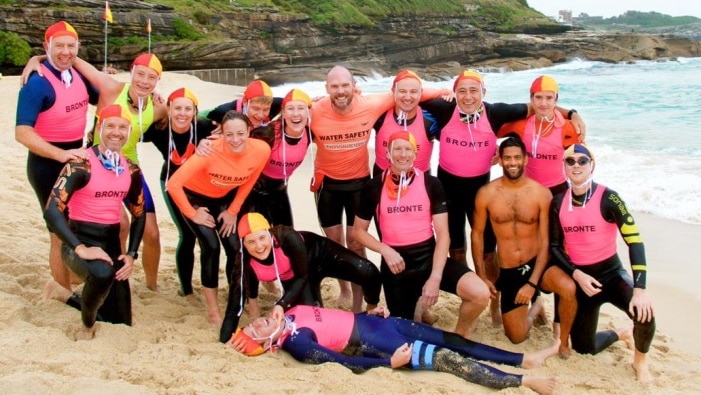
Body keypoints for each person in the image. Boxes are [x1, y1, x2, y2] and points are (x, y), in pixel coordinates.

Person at [420, 69, 585, 325]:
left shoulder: (495, 112)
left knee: (488, 252)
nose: (467, 96)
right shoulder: (445, 109)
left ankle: (495, 307)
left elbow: (538, 107)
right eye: (461, 90)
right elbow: (410, 96)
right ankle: (471, 297)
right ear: (455, 92)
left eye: (474, 90)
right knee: (456, 250)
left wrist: (572, 113)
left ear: (483, 93)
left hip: (481, 191)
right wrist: (439, 92)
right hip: (448, 189)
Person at [22, 52, 167, 291]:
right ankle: (108, 273)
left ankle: (152, 286)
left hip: (129, 169)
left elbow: (188, 117)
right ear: (131, 72)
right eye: (140, 74)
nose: (144, 81)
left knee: (151, 233)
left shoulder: (159, 107)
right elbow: (68, 57)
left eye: (151, 77)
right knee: (119, 224)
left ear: (157, 81)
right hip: (97, 165)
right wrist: (36, 59)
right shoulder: (110, 87)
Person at [311, 65, 449, 312]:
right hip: (331, 184)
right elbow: (289, 116)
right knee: (334, 241)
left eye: (345, 86)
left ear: (354, 86)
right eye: (334, 87)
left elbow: (410, 91)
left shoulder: (373, 105)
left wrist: (445, 90)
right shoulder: (316, 110)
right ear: (327, 88)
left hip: (361, 181)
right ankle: (344, 288)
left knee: (360, 241)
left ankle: (362, 296)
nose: (340, 91)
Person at [229, 305, 560, 395]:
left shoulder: (287, 315)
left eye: (252, 323)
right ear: (266, 345)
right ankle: (522, 382)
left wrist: (366, 314)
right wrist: (391, 362)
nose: (256, 325)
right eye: (254, 332)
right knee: (447, 360)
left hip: (386, 324)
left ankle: (523, 359)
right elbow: (344, 362)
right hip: (379, 344)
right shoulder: (298, 343)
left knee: (450, 339)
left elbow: (336, 318)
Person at [353, 131, 489, 338]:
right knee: (407, 334)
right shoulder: (374, 187)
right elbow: (358, 232)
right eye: (397, 149)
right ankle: (419, 308)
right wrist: (385, 250)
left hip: (427, 258)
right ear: (388, 154)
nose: (402, 154)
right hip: (396, 266)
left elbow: (443, 235)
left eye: (408, 149)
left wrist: (435, 276)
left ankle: (459, 336)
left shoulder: (431, 184)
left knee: (480, 293)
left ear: (415, 154)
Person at [549, 144, 655, 382]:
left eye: (582, 161)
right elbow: (554, 247)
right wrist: (576, 274)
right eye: (570, 161)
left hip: (612, 274)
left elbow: (635, 242)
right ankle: (621, 333)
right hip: (583, 280)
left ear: (592, 165)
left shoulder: (610, 198)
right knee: (584, 348)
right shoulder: (557, 202)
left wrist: (640, 290)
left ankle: (640, 362)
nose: (576, 165)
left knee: (644, 312)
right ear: (564, 167)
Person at [42, 104, 145, 340]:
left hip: (111, 244)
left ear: (129, 133)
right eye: (110, 126)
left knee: (120, 322)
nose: (116, 132)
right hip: (78, 241)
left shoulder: (130, 170)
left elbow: (140, 213)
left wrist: (130, 254)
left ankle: (63, 295)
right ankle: (86, 327)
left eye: (122, 127)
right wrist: (80, 247)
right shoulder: (81, 163)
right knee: (101, 273)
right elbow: (52, 211)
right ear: (99, 128)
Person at [15, 21, 98, 301]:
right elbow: (22, 132)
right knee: (58, 232)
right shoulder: (36, 82)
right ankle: (63, 292)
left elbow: (113, 95)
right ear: (45, 47)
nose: (65, 52)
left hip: (76, 157)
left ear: (78, 48)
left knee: (81, 223)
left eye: (70, 46)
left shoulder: (79, 75)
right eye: (58, 45)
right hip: (47, 163)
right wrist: (60, 154)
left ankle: (75, 274)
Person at [472, 137, 576, 357]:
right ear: (499, 160)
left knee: (568, 288)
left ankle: (564, 341)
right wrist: (482, 275)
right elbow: (477, 235)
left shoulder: (541, 193)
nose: (512, 162)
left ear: (526, 159)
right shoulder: (486, 194)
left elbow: (547, 241)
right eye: (507, 158)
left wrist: (531, 282)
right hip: (509, 269)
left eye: (517, 157)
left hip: (538, 264)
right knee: (516, 337)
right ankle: (536, 305)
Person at [167, 111, 271, 325]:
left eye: (240, 133)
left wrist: (232, 211)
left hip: (222, 199)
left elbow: (249, 181)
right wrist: (192, 213)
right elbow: (173, 184)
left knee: (235, 248)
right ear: (221, 133)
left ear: (249, 131)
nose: (235, 140)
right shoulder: (210, 151)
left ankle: (238, 298)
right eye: (229, 134)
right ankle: (213, 310)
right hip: (193, 196)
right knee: (211, 246)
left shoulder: (261, 150)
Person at [220, 212, 382, 343]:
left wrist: (281, 304)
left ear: (270, 233)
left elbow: (303, 274)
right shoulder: (242, 263)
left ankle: (371, 309)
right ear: (243, 244)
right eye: (251, 242)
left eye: (262, 238)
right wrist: (225, 341)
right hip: (298, 277)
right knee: (315, 321)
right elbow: (235, 307)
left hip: (320, 255)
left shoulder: (287, 238)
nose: (259, 246)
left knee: (369, 271)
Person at [141, 87, 217, 300]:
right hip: (170, 183)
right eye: (178, 108)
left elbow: (228, 120)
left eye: (188, 109)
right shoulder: (158, 128)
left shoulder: (203, 126)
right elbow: (130, 129)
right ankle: (186, 289)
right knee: (187, 233)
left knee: (204, 234)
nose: (182, 113)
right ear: (169, 109)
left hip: (200, 186)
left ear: (195, 111)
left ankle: (206, 284)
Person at [239, 88, 313, 227]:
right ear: (283, 113)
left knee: (288, 239)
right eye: (290, 109)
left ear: (309, 111)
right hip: (253, 194)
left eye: (301, 108)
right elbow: (236, 149)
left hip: (280, 193)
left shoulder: (310, 133)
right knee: (256, 237)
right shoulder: (267, 134)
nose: (296, 114)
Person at [497, 75, 580, 195]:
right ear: (531, 100)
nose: (543, 103)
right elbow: (488, 132)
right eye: (538, 97)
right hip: (528, 190)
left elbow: (584, 163)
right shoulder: (521, 125)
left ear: (556, 100)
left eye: (549, 98)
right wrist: (494, 150)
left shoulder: (569, 128)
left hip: (558, 190)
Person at [372, 69, 438, 176]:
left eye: (413, 92)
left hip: (420, 184)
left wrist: (448, 93)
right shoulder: (380, 115)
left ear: (421, 92)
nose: (407, 97)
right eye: (402, 91)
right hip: (382, 181)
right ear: (393, 91)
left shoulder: (431, 120)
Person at [205, 79, 282, 129]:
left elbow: (291, 100)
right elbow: (206, 117)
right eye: (256, 108)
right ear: (245, 102)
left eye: (266, 109)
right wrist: (221, 125)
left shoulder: (275, 105)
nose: (261, 115)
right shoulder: (224, 111)